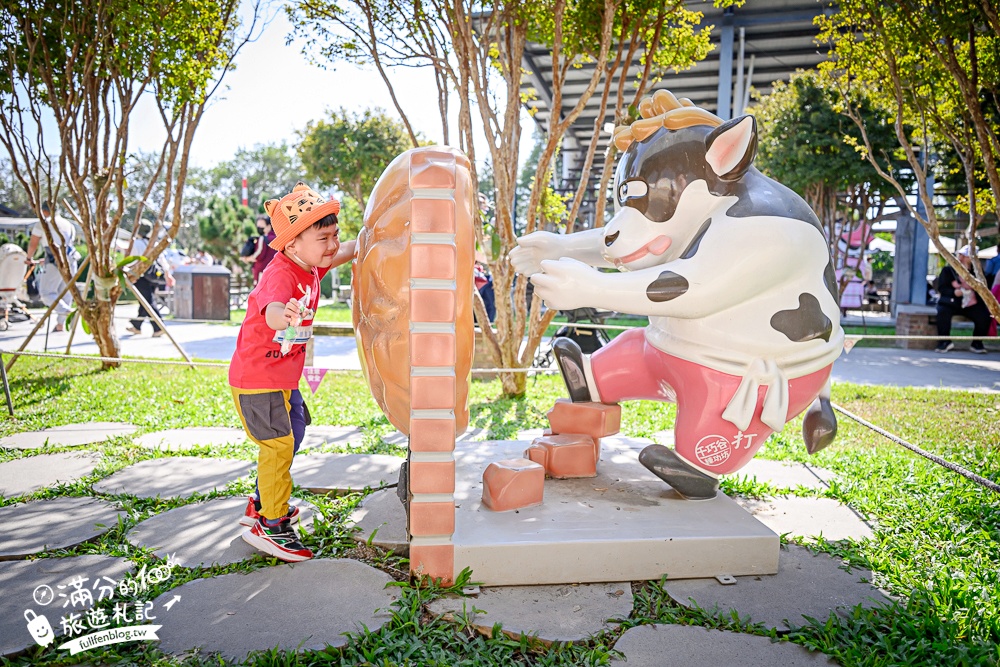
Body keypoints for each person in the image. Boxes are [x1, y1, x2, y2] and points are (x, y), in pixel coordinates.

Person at [229, 182, 356, 562]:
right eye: (323, 237)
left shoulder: (312, 264)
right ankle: (270, 525)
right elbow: (270, 307)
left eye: (335, 235)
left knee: (294, 432)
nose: (333, 244)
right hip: (258, 380)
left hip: (282, 378)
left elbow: (348, 252)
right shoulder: (281, 273)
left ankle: (262, 499)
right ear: (292, 244)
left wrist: (374, 237)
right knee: (278, 446)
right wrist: (281, 314)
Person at [24, 202, 79, 332]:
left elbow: (33, 243)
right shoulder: (68, 224)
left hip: (56, 260)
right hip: (71, 258)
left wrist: (29, 258)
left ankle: (67, 311)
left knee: (46, 293)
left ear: (43, 211)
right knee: (66, 292)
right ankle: (60, 325)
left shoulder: (43, 223)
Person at [935, 245, 991, 354]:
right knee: (942, 312)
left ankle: (977, 343)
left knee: (984, 316)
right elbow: (942, 287)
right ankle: (944, 342)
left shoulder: (977, 272)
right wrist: (954, 292)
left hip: (971, 304)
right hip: (952, 303)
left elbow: (983, 286)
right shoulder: (948, 270)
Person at [125, 223, 174, 337]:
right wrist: (167, 275)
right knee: (145, 302)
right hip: (153, 277)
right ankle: (137, 326)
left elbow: (130, 261)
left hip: (140, 277)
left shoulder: (136, 244)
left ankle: (159, 327)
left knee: (148, 303)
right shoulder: (153, 243)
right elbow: (162, 261)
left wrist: (128, 275)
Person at [242, 215, 278, 285]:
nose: (259, 228)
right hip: (275, 273)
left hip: (262, 273)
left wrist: (246, 258)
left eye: (261, 226)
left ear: (269, 226)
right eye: (258, 226)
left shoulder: (262, 239)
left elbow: (258, 256)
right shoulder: (277, 238)